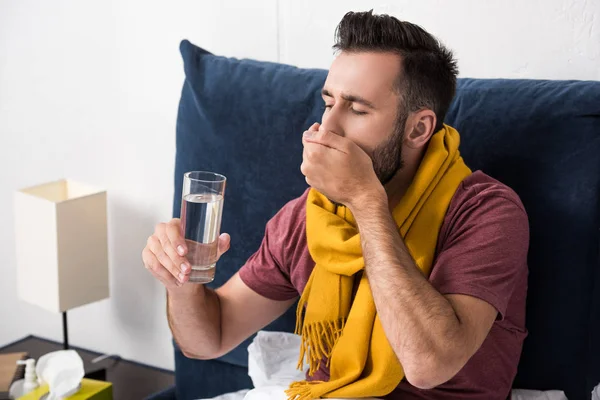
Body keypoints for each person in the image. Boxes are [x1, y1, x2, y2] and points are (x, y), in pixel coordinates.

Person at [142, 10, 529, 400]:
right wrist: (182, 280)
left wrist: (366, 202)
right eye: (329, 103)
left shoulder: (487, 213)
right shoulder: (311, 215)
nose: (326, 128)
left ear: (418, 128)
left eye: (357, 109)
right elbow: (211, 337)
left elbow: (429, 365)